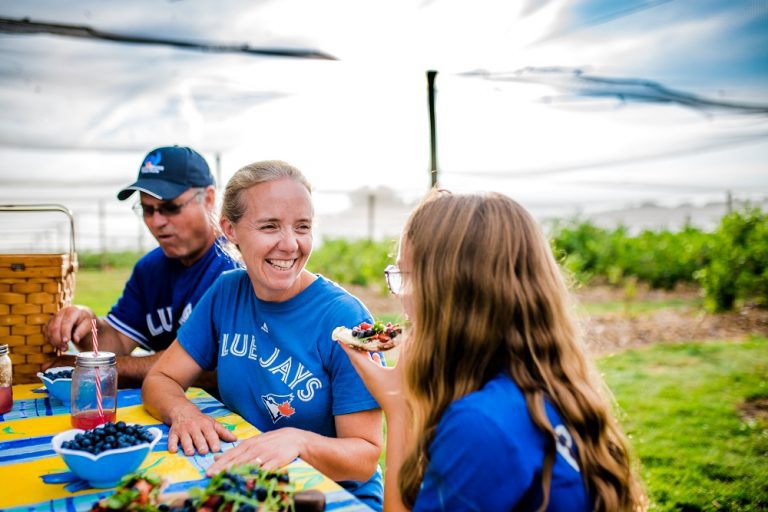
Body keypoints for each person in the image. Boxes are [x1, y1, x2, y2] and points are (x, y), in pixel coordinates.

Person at [340, 189, 648, 512]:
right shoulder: (552, 392)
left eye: (407, 277)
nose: (402, 300)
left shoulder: (480, 428)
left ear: (453, 295)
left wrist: (397, 407)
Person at [142, 160, 384, 510]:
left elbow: (364, 457)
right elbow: (161, 378)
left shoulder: (344, 318)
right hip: (251, 488)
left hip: (331, 497)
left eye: (302, 227)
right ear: (231, 230)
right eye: (270, 226)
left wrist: (299, 441)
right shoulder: (226, 293)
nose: (290, 244)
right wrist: (183, 412)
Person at [44, 146, 239, 387]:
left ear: (209, 198)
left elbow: (218, 365)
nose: (157, 222)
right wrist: (88, 326)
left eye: (170, 207)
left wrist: (105, 367)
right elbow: (116, 340)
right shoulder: (149, 270)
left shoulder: (236, 266)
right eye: (148, 209)